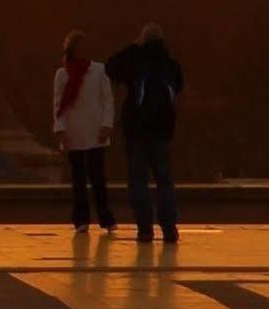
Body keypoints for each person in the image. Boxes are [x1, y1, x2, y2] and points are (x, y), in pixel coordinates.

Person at [106, 23, 185, 244]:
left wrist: (133, 47)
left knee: (138, 181)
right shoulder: (170, 65)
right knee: (165, 182)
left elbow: (110, 68)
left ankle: (145, 229)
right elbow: (178, 87)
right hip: (163, 132)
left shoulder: (136, 62)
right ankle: (169, 228)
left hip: (137, 132)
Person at [51, 31, 115, 234]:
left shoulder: (99, 70)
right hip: (74, 131)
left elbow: (107, 100)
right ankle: (81, 220)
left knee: (98, 178)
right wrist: (60, 128)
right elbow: (58, 104)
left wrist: (107, 124)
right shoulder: (62, 74)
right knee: (78, 179)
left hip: (96, 131)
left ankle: (106, 219)